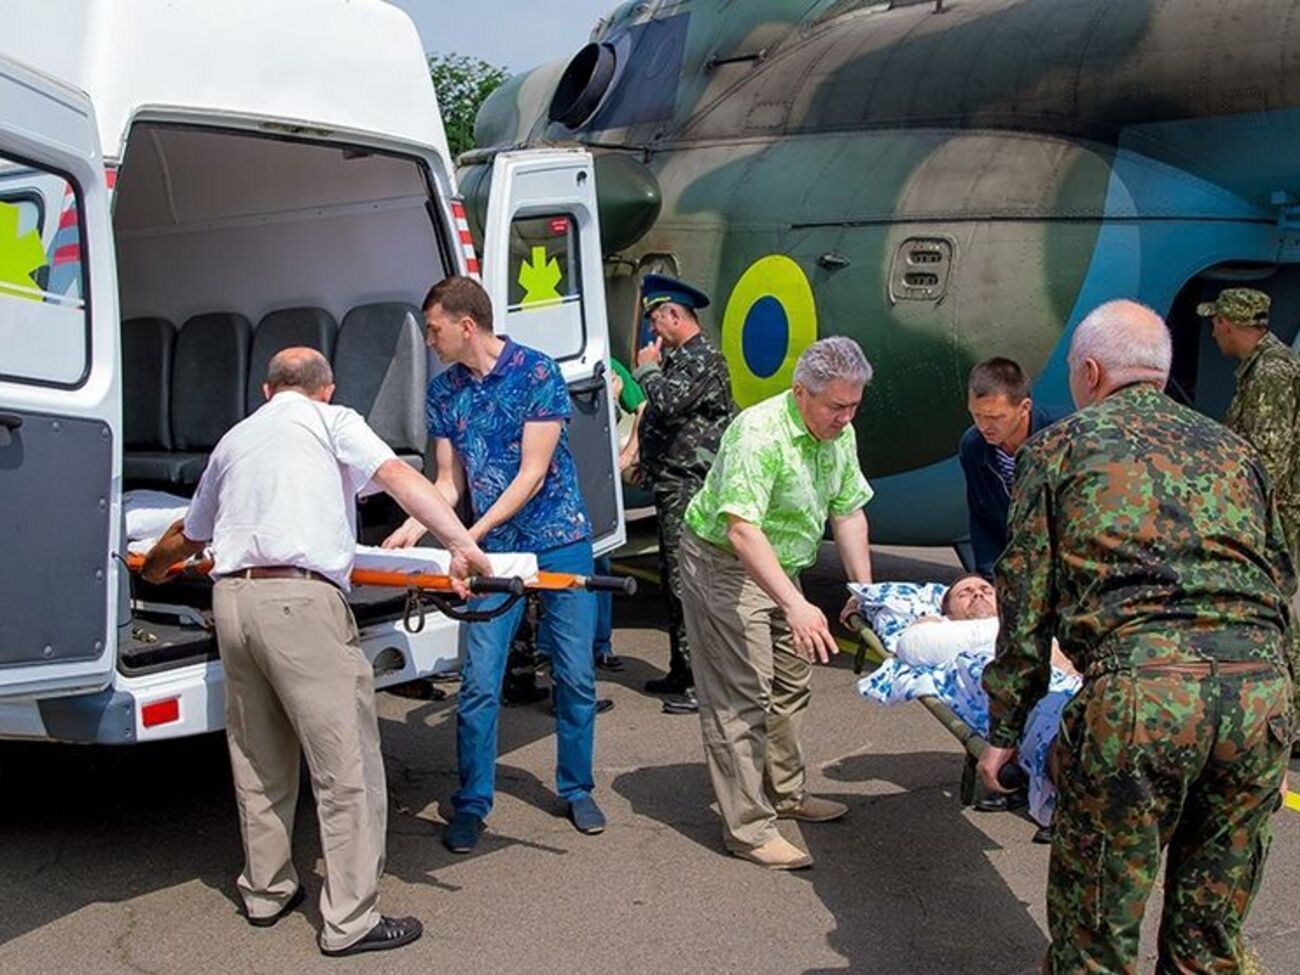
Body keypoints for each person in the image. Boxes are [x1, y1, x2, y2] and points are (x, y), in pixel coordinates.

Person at [141, 347, 492, 958]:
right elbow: (401, 480)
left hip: (233, 603)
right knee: (345, 766)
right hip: (300, 605)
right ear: (325, 390)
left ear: (266, 391)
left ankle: (267, 890)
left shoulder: (236, 438)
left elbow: (187, 535)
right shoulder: (334, 422)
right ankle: (350, 921)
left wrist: (156, 570)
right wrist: (461, 545)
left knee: (258, 756)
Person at [979, 300, 1295, 974]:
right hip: (1260, 698)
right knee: (1209, 942)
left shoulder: (1061, 447)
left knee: (1097, 937)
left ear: (1091, 371)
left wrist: (1005, 728)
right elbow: (1279, 572)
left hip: (1142, 700)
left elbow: (1026, 599)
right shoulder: (1234, 449)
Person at [383, 275, 604, 852]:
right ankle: (473, 800)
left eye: (433, 329)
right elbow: (446, 482)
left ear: (466, 324)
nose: (428, 339)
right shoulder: (444, 393)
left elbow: (532, 475)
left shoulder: (537, 373)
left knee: (575, 674)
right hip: (489, 552)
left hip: (557, 538)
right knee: (480, 683)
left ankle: (576, 787)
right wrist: (415, 524)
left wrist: (466, 538)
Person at [678, 336, 875, 870]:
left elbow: (850, 511)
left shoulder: (840, 433)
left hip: (780, 563)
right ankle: (747, 828)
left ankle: (785, 794)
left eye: (854, 405)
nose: (845, 417)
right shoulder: (758, 434)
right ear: (800, 393)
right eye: (836, 406)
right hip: (724, 563)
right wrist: (795, 604)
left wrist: (864, 591)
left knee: (792, 681)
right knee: (741, 695)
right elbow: (742, 532)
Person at [633, 274, 735, 714]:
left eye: (658, 320)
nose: (655, 330)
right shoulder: (682, 358)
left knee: (688, 583)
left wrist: (646, 371)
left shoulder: (703, 358)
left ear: (675, 315)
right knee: (675, 579)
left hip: (691, 484)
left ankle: (702, 683)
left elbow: (669, 404)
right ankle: (682, 667)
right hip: (673, 480)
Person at [958, 358, 1067, 576]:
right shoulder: (973, 446)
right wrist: (992, 579)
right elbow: (982, 520)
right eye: (976, 414)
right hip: (1015, 573)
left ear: (1024, 407)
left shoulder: (1064, 435)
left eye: (995, 417)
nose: (983, 426)